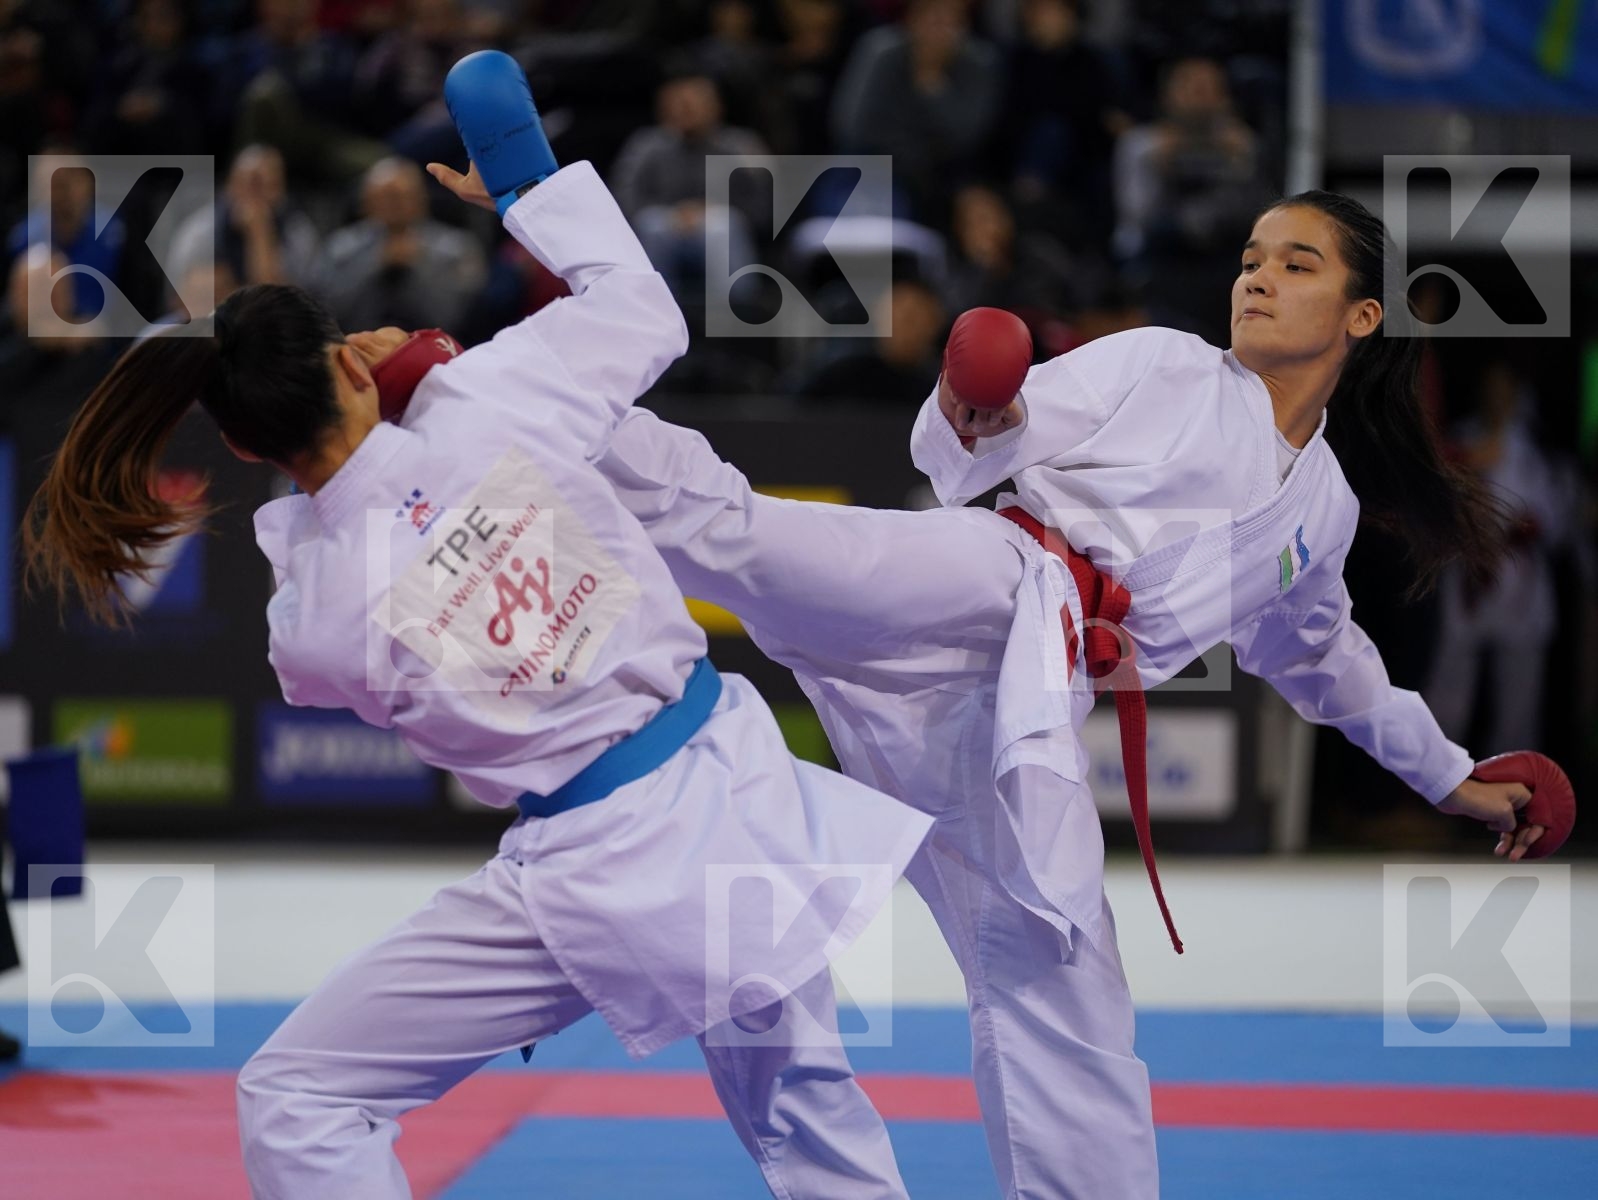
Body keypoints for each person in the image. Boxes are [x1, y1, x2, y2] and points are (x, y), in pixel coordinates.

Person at [21, 52, 930, 1200]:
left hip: (594, 863)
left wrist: (353, 459)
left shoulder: (318, 612)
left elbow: (326, 604)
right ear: (349, 359)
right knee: (808, 1111)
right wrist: (522, 180)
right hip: (727, 779)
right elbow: (639, 309)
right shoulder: (491, 392)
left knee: (300, 1094)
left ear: (244, 447)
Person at [595, 190, 1550, 1198]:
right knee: (751, 541)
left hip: (1016, 719)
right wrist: (982, 412)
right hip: (989, 588)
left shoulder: (1323, 511)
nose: (1257, 278)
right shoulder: (1164, 364)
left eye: (1295, 263)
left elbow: (1331, 665)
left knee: (1063, 987)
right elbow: (999, 427)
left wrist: (1452, 779)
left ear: (1362, 315)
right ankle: (539, 420)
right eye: (1250, 258)